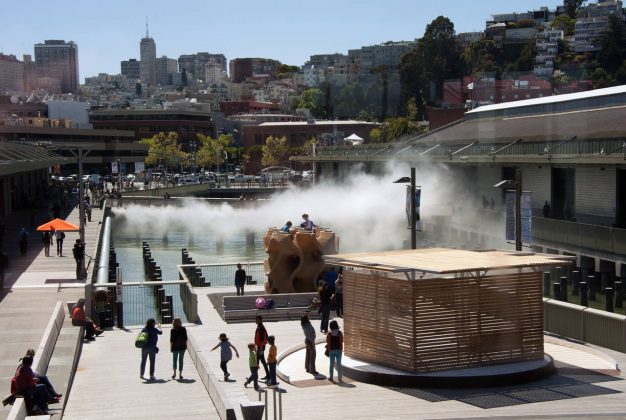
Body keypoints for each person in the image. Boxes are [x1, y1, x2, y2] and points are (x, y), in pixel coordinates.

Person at [254, 315, 270, 380]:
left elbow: (262, 340)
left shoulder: (261, 328)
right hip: (260, 347)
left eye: (257, 320)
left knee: (257, 361)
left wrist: (260, 350)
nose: (255, 321)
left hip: (261, 347)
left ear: (260, 320)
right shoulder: (259, 326)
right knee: (262, 361)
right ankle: (268, 375)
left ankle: (254, 376)